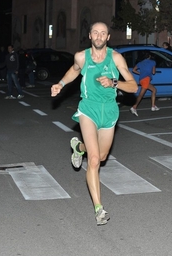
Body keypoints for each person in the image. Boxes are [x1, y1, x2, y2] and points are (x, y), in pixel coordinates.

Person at [50, 22, 138, 226]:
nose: (99, 36)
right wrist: (60, 84)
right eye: (95, 33)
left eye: (103, 33)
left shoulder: (116, 58)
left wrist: (114, 83)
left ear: (108, 37)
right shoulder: (81, 56)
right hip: (88, 109)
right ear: (90, 35)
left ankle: (78, 147)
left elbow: (133, 86)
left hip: (109, 111)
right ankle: (99, 209)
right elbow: (73, 71)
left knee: (102, 155)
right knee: (95, 160)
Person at [130, 51, 158, 116]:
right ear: (149, 56)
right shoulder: (153, 62)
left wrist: (140, 73)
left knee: (154, 90)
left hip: (142, 79)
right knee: (141, 94)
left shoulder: (140, 63)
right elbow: (153, 72)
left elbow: (134, 70)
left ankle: (153, 106)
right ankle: (134, 107)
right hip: (146, 79)